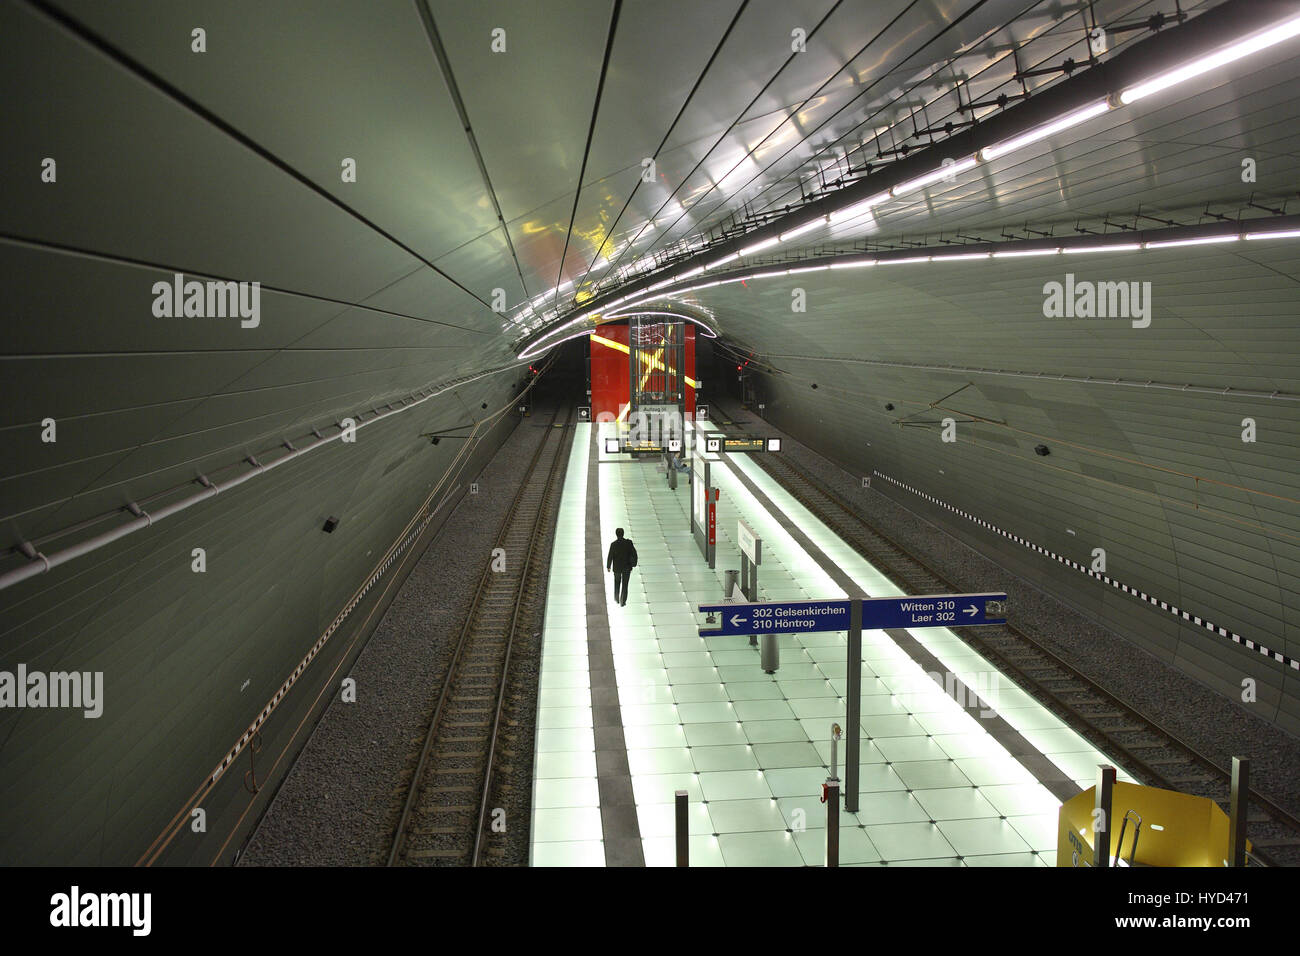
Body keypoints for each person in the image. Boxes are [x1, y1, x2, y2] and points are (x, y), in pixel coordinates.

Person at [606, 527, 638, 606]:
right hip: (627, 567)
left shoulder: (613, 544)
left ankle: (616, 599)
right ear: (623, 534)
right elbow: (633, 553)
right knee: (625, 584)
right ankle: (622, 601)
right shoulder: (628, 543)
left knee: (617, 583)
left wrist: (608, 566)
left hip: (617, 568)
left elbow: (610, 556)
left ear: (616, 534)